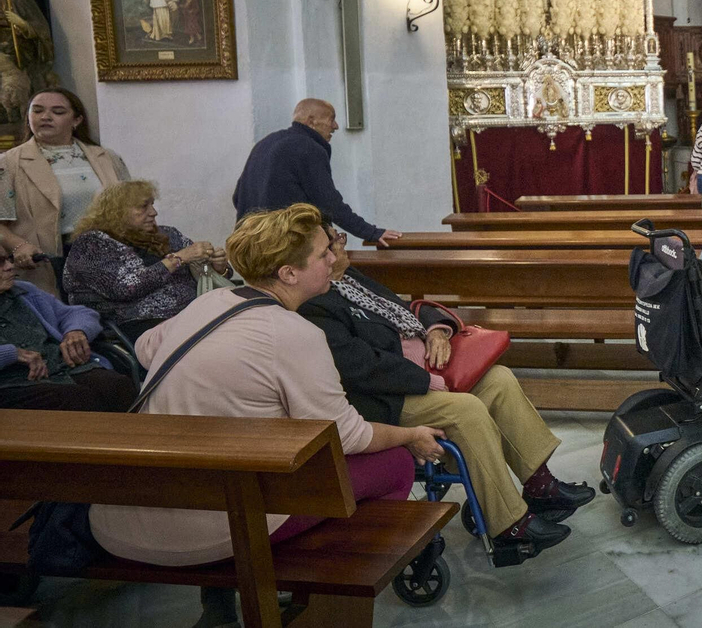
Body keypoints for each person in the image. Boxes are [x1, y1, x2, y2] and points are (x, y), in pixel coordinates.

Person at [89, 205, 445, 589]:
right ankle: (326, 579)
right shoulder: (295, 333)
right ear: (289, 273)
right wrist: (410, 436)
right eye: (324, 253)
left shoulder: (210, 303)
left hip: (136, 512)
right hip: (212, 530)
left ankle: (225, 599)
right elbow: (347, 437)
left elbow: (144, 347)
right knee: (394, 464)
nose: (334, 258)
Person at [300, 225, 586, 559]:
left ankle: (539, 485)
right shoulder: (315, 305)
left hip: (423, 375)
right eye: (333, 242)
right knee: (466, 410)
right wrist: (427, 381)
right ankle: (508, 524)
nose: (341, 245)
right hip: (387, 399)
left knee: (499, 379)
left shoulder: (350, 280)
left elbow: (407, 308)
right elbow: (362, 367)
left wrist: (436, 330)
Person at [0, 88, 131, 298]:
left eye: (58, 112)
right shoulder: (9, 163)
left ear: (76, 120)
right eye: (38, 111)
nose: (45, 117)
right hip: (49, 258)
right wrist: (19, 246)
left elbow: (132, 206)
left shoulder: (106, 157)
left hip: (107, 253)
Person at [63, 180, 231, 340]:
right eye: (144, 206)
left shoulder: (168, 234)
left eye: (152, 204)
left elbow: (216, 273)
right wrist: (179, 258)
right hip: (137, 324)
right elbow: (126, 287)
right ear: (117, 211)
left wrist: (219, 266)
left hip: (190, 314)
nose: (153, 212)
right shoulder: (92, 244)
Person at [233, 99, 401, 247]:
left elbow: (237, 197)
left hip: (249, 245)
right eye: (331, 118)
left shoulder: (265, 143)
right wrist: (371, 233)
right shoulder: (308, 148)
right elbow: (329, 203)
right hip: (284, 247)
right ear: (311, 121)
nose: (335, 126)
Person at [0, 255, 135, 412]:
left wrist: (76, 330)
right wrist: (12, 353)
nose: (10, 266)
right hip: (12, 382)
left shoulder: (24, 292)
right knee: (76, 398)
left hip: (60, 367)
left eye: (9, 259)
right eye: (0, 262)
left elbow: (79, 313)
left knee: (117, 386)